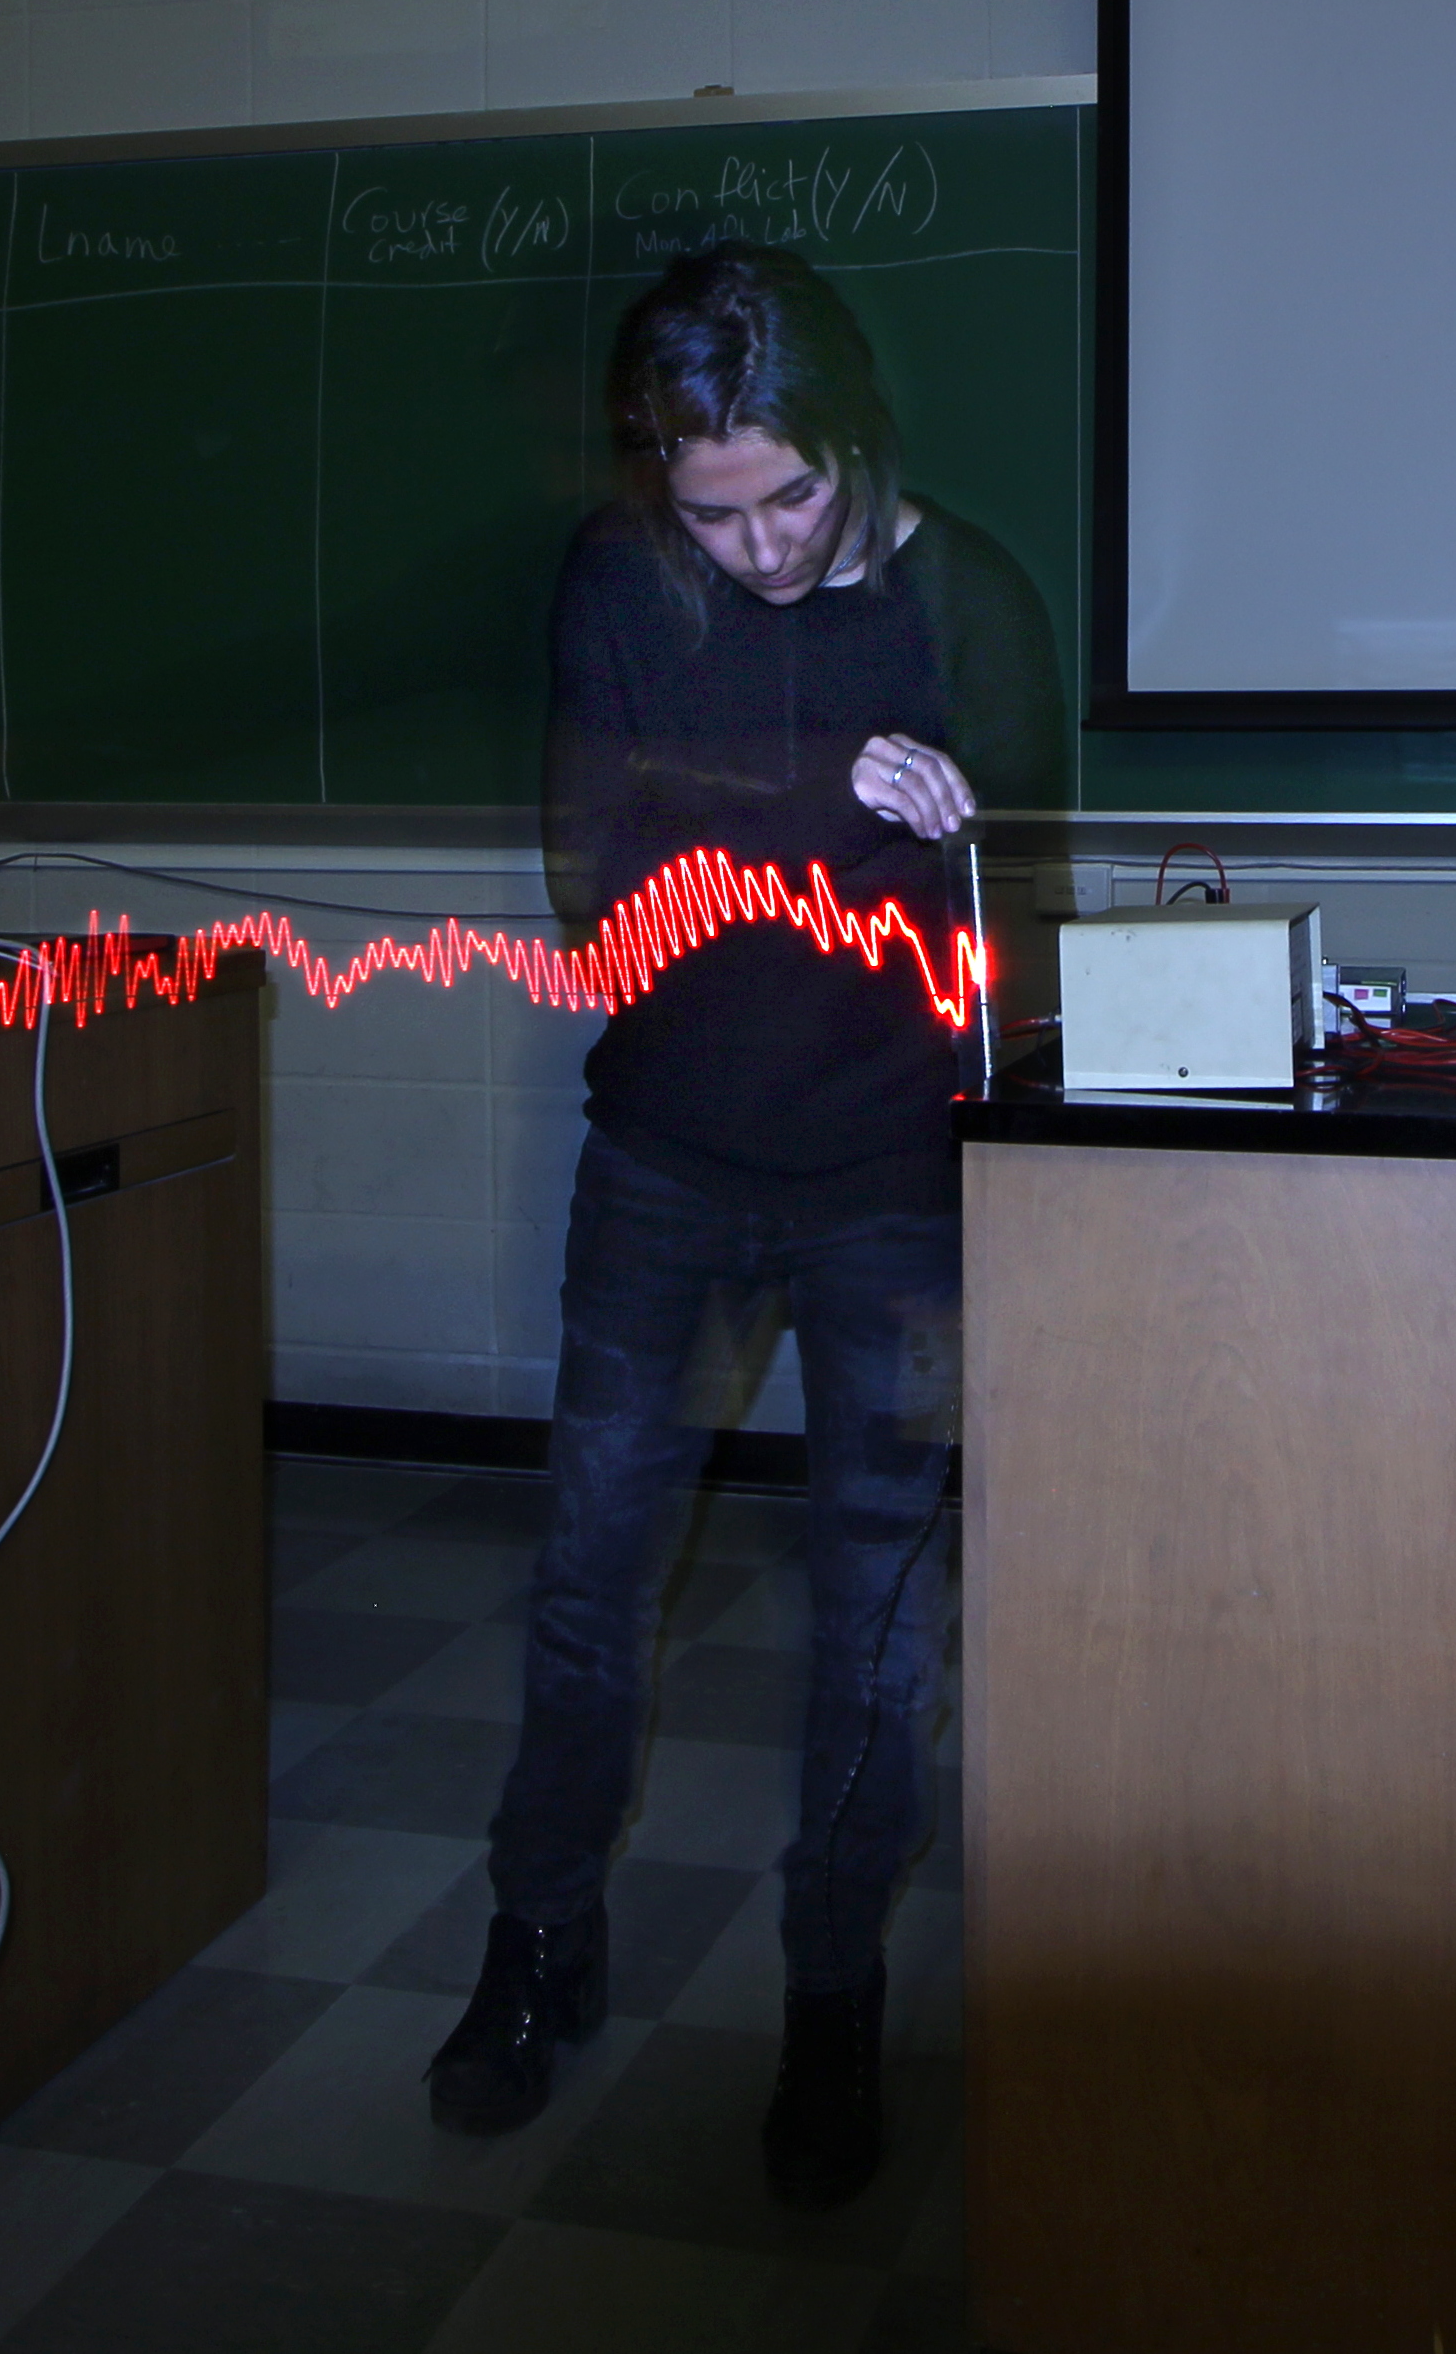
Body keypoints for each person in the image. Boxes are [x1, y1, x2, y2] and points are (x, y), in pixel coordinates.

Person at [424, 241, 1063, 2207]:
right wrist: (809, 791)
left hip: (893, 1183)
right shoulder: (625, 582)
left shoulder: (971, 595)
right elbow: (592, 881)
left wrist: (946, 827)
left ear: (854, 440)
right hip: (667, 1168)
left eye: (791, 497)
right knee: (588, 1586)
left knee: (874, 1621)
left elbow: (1019, 887)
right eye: (714, 514)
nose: (763, 550)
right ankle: (539, 1940)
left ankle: (833, 1993)